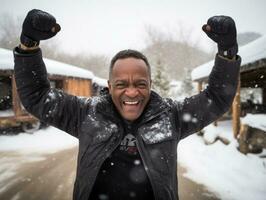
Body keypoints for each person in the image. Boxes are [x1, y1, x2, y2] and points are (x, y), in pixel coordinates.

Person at [14, 9, 241, 200]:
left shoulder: (171, 116)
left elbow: (217, 98)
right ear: (110, 85)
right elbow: (37, 96)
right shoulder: (85, 114)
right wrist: (29, 46)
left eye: (140, 84)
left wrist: (227, 53)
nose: (131, 92)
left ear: (151, 84)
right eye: (122, 84)